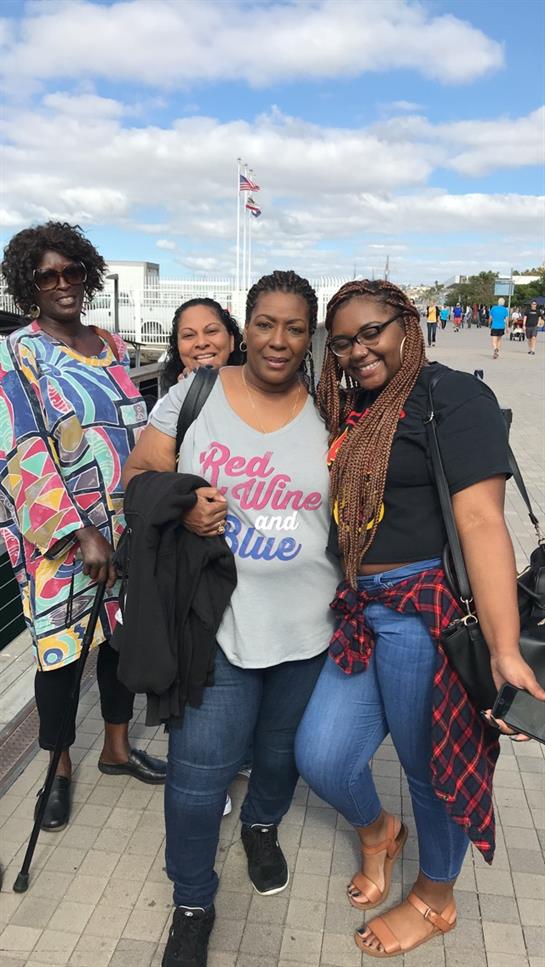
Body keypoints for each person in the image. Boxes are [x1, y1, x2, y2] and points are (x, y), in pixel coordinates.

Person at [295, 279, 545, 959]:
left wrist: (502, 649)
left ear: (407, 323)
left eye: (370, 331)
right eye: (341, 340)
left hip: (421, 613)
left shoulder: (452, 397)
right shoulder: (351, 407)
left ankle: (435, 895)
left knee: (428, 769)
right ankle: (379, 832)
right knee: (319, 754)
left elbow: (480, 522)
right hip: (357, 610)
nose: (355, 350)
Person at [122, 270, 340, 967]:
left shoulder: (331, 408)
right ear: (245, 326)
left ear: (311, 336)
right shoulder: (198, 392)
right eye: (265, 323)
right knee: (196, 775)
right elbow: (136, 480)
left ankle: (261, 825)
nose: (278, 340)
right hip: (215, 626)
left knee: (279, 757)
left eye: (295, 327)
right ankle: (192, 899)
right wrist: (182, 502)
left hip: (309, 628)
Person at [0, 222, 166, 831]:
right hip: (62, 539)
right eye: (48, 275)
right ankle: (60, 766)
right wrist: (77, 531)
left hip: (127, 527)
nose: (63, 284)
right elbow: (18, 447)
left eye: (72, 271)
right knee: (60, 653)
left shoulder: (115, 347)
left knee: (121, 643)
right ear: (30, 285)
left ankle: (117, 748)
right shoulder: (15, 353)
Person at [160, 297, 245, 394]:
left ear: (231, 341)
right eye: (189, 335)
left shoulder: (257, 395)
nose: (201, 343)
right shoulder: (171, 400)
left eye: (211, 331)